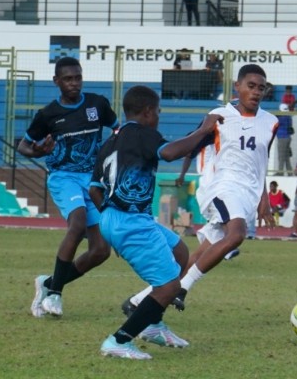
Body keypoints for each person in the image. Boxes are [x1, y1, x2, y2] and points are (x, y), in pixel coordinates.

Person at [124, 64, 278, 313]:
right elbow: (189, 145)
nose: (256, 92)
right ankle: (183, 287)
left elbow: (261, 162)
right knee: (236, 234)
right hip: (223, 188)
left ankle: (139, 300)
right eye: (251, 86)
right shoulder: (218, 116)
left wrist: (264, 199)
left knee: (202, 254)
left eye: (261, 88)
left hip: (247, 197)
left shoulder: (271, 123)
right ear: (237, 87)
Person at [89, 85, 222, 359]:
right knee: (169, 287)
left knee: (180, 252)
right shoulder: (143, 134)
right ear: (149, 112)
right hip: (129, 222)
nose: (159, 117)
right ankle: (119, 340)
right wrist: (203, 130)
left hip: (118, 218)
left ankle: (153, 325)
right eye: (158, 111)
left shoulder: (112, 140)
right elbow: (170, 153)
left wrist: (110, 224)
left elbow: (94, 189)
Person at [18, 56, 119, 318]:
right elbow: (23, 146)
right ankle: (56, 295)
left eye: (78, 78)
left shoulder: (97, 104)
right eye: (68, 79)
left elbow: (118, 130)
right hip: (64, 177)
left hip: (94, 179)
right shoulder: (48, 115)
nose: (74, 83)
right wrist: (38, 151)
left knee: (100, 251)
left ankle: (49, 283)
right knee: (77, 222)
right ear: (56, 81)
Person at [275, 103, 293, 175]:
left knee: (281, 156)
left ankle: (280, 171)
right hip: (287, 137)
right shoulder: (288, 117)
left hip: (282, 138)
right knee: (286, 156)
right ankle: (289, 172)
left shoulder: (280, 118)